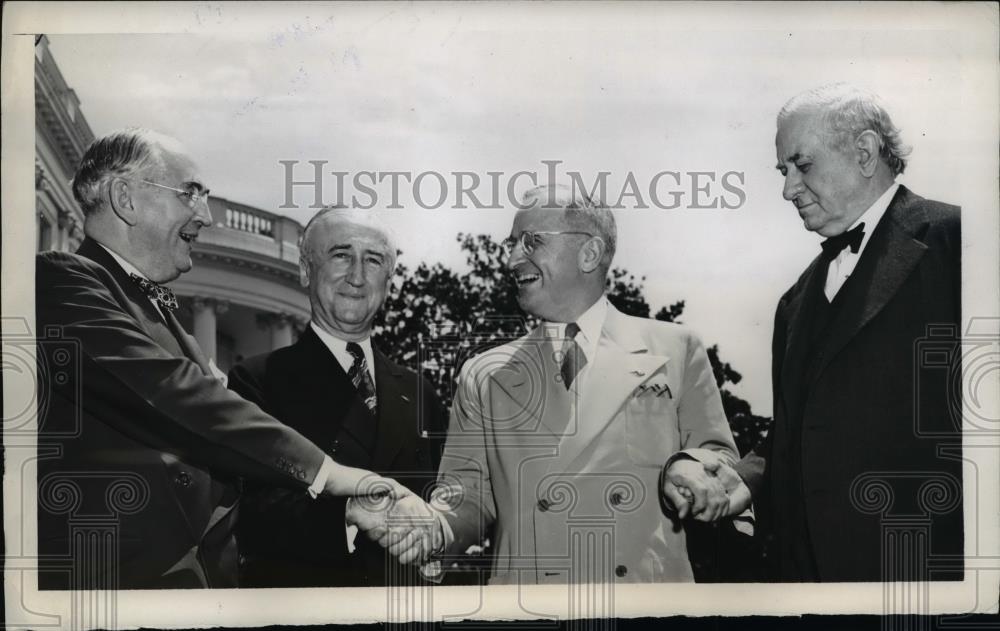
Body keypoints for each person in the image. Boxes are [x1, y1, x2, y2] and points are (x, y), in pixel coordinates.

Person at [36, 129, 405, 590]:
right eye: (190, 194)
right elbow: (180, 398)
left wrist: (346, 510)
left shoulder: (163, 314)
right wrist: (330, 475)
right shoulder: (58, 281)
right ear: (125, 198)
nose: (205, 216)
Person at [670, 83, 964, 582]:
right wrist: (742, 481)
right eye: (783, 172)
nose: (787, 189)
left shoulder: (960, 241)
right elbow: (793, 434)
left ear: (865, 153)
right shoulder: (795, 299)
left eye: (801, 166)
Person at [381, 183, 740, 584]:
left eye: (531, 242)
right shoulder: (483, 374)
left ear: (590, 253)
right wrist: (434, 530)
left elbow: (720, 458)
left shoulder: (677, 349)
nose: (513, 258)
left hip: (646, 611)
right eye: (512, 243)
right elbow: (465, 499)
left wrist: (693, 468)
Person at [227, 208, 447, 587]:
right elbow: (245, 514)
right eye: (341, 255)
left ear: (389, 281)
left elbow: (449, 500)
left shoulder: (419, 391)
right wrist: (347, 512)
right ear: (305, 271)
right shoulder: (257, 381)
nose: (358, 276)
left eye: (373, 260)